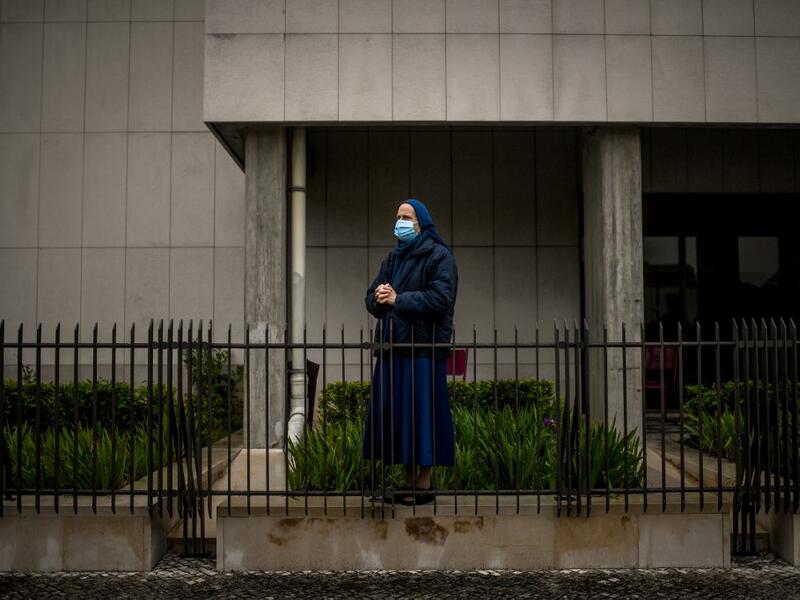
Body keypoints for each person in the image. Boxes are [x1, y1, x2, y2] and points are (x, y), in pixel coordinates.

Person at [362, 198, 458, 506]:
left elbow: (441, 299)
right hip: (394, 348)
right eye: (398, 216)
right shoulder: (393, 258)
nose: (400, 222)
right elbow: (372, 297)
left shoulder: (439, 256)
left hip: (423, 350)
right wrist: (378, 297)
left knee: (422, 415)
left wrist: (397, 300)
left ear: (422, 223)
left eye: (407, 217)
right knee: (399, 417)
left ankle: (424, 483)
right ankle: (406, 482)